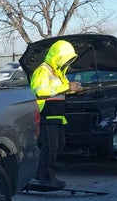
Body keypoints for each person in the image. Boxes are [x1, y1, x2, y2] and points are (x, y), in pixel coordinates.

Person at [29, 39, 86, 189]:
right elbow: (39, 91)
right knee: (50, 148)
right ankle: (47, 178)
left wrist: (74, 91)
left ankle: (39, 172)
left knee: (59, 145)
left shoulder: (59, 73)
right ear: (59, 56)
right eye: (66, 59)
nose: (68, 63)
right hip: (46, 115)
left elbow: (60, 90)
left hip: (57, 115)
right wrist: (67, 86)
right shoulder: (43, 71)